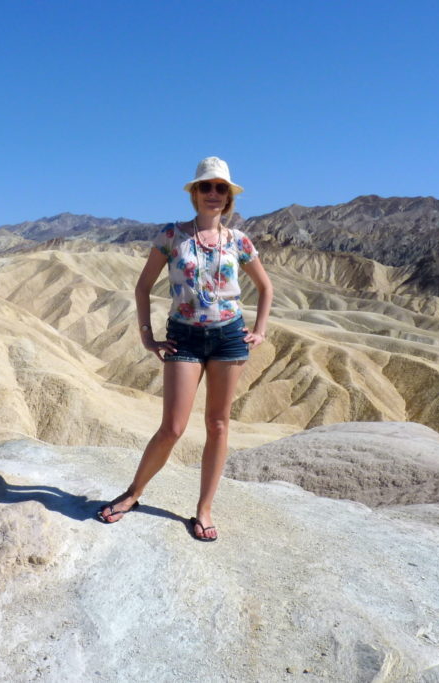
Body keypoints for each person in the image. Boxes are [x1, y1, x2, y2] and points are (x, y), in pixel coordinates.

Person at [98, 156, 273, 541]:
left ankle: (204, 509)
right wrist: (147, 335)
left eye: (221, 188)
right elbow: (143, 286)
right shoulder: (171, 235)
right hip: (185, 338)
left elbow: (265, 287)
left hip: (229, 338)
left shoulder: (239, 241)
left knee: (218, 424)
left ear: (228, 197)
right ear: (194, 193)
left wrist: (258, 330)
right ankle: (132, 494)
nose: (213, 194)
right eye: (206, 186)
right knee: (173, 427)